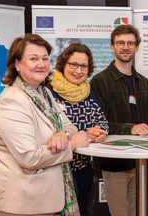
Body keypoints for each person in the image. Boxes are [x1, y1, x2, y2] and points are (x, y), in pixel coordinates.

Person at [0, 33, 90, 216]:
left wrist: (63, 135)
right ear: (17, 64)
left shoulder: (43, 93)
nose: (41, 64)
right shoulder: (12, 101)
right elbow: (30, 157)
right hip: (22, 205)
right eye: (33, 58)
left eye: (45, 58)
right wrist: (72, 144)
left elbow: (69, 126)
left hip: (49, 200)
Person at [90, 24, 148, 216]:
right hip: (114, 163)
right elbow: (98, 125)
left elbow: (146, 122)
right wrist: (130, 128)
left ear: (137, 47)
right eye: (120, 43)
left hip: (139, 163)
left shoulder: (143, 82)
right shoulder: (99, 81)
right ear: (112, 47)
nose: (125, 47)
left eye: (130, 43)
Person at [48, 43, 109, 216]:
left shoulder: (88, 92)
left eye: (84, 66)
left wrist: (98, 132)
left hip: (83, 167)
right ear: (63, 64)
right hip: (56, 167)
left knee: (79, 211)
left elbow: (102, 122)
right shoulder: (48, 91)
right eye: (73, 64)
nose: (78, 70)